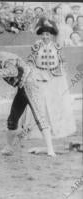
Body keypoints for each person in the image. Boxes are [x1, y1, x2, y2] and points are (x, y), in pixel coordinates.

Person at [0, 47, 56, 157]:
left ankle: (50, 149)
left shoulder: (5, 59)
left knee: (39, 116)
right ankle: (9, 148)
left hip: (31, 85)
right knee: (12, 119)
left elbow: (13, 72)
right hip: (22, 87)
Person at [20, 18, 76, 146]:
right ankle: (38, 130)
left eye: (48, 34)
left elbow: (62, 61)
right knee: (40, 102)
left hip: (54, 77)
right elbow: (30, 61)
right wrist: (31, 73)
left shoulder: (57, 46)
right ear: (41, 35)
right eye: (44, 34)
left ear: (51, 35)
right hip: (39, 76)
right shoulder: (36, 46)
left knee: (55, 102)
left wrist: (61, 74)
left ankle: (56, 128)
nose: (46, 36)